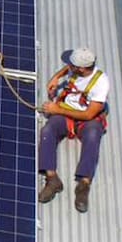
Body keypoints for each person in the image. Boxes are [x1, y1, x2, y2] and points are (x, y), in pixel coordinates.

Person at [38, 47, 110, 213]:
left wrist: (56, 110)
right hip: (66, 111)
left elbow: (89, 114)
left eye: (72, 65)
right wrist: (56, 78)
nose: (68, 67)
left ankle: (84, 184)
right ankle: (52, 178)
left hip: (87, 118)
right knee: (47, 132)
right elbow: (67, 68)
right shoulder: (76, 69)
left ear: (82, 68)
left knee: (93, 137)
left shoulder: (101, 84)